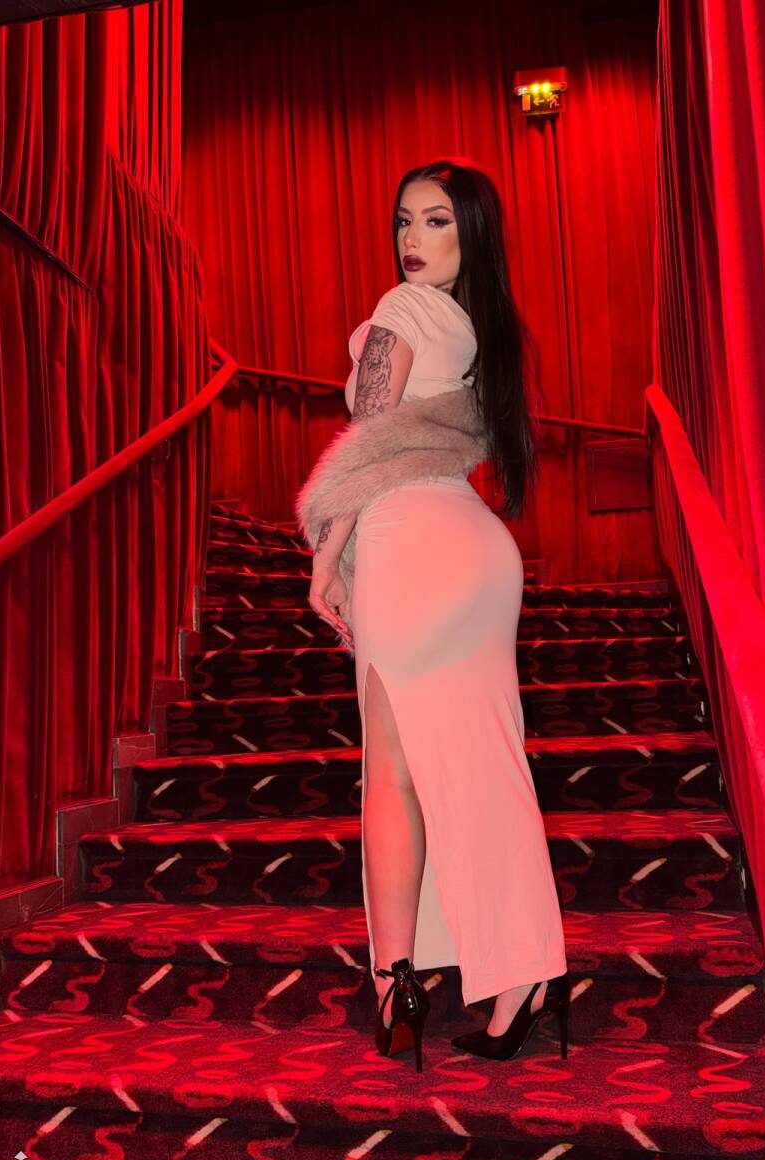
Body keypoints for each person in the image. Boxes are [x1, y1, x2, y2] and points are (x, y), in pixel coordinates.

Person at [307, 159, 570, 1071]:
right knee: (488, 767)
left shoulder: (403, 309)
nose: (413, 240)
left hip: (408, 545)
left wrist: (327, 553)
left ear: (472, 234)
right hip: (477, 550)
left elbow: (368, 439)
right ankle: (524, 975)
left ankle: (399, 984)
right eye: (404, 221)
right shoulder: (481, 330)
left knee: (393, 778)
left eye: (437, 221)